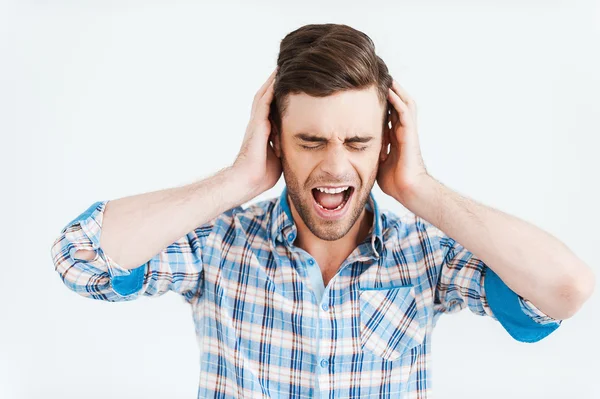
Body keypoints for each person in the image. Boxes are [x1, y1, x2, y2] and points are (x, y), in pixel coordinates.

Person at [51, 23, 595, 398]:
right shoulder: (214, 246)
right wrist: (237, 179)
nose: (336, 167)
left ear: (385, 143)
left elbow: (564, 290)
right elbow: (81, 259)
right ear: (276, 141)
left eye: (357, 141)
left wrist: (421, 188)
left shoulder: (426, 256)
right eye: (311, 140)